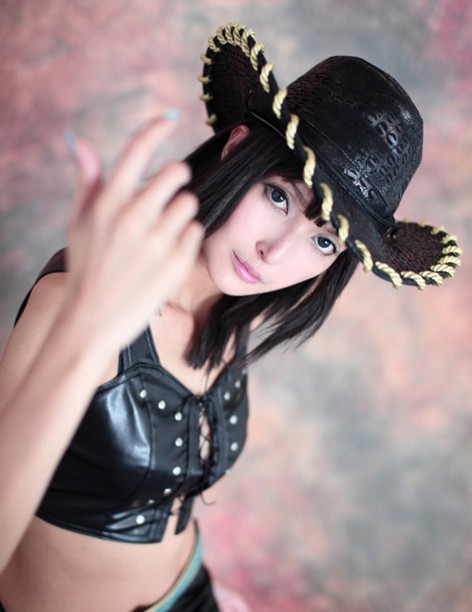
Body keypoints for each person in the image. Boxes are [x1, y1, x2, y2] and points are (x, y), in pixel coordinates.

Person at [0, 22, 461, 612]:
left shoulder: (229, 313)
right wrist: (84, 335)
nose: (276, 252)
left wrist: (210, 592)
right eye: (279, 196)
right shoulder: (77, 301)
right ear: (237, 147)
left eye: (323, 241)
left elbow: (161, 490)